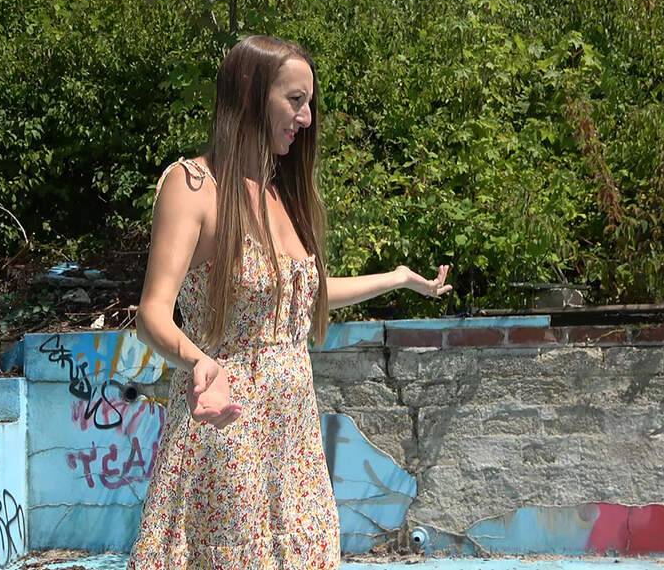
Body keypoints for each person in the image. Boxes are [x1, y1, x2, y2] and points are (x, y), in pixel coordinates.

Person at [128, 35, 452, 570]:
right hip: (227, 422)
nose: (306, 118)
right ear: (252, 94)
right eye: (295, 100)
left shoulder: (280, 192)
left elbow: (305, 296)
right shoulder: (193, 186)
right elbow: (152, 315)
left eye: (309, 103)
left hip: (292, 432)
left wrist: (397, 279)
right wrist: (198, 361)